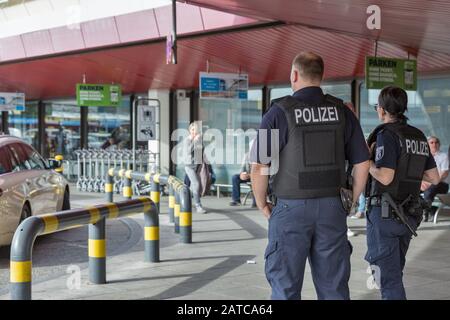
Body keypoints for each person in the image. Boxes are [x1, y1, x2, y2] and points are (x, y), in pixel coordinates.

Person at [250, 52, 370, 300]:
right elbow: (362, 162)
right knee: (334, 288)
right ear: (321, 76)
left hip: (290, 208)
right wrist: (350, 200)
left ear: (294, 75)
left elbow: (260, 166)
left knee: (285, 288)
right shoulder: (342, 112)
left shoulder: (278, 113)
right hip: (332, 208)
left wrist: (262, 203)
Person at [365, 86, 440, 300]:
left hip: (385, 213)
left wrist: (368, 163)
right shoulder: (417, 135)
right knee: (394, 272)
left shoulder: (387, 135)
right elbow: (433, 177)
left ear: (382, 110)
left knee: (387, 279)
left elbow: (386, 177)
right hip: (409, 215)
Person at [421, 136, 449, 221]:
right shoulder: (424, 156)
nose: (434, 144)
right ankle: (431, 209)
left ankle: (426, 212)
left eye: (436, 142)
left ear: (439, 144)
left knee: (430, 189)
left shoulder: (443, 156)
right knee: (411, 189)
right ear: (427, 145)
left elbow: (444, 173)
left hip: (441, 184)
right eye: (431, 142)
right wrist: (421, 182)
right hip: (426, 184)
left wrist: (430, 183)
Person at [183, 121, 207, 214]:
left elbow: (201, 151)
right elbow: (188, 151)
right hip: (189, 166)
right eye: (192, 130)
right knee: (196, 184)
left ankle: (185, 203)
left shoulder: (198, 139)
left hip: (197, 166)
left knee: (190, 186)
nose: (194, 132)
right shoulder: (187, 140)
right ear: (189, 130)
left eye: (196, 130)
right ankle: (198, 206)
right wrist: (195, 141)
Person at [230, 141, 257, 207]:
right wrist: (242, 174)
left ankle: (256, 202)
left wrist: (251, 175)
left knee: (255, 180)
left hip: (258, 176)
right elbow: (242, 168)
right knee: (235, 177)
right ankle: (236, 200)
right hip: (248, 176)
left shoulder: (261, 156)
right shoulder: (247, 155)